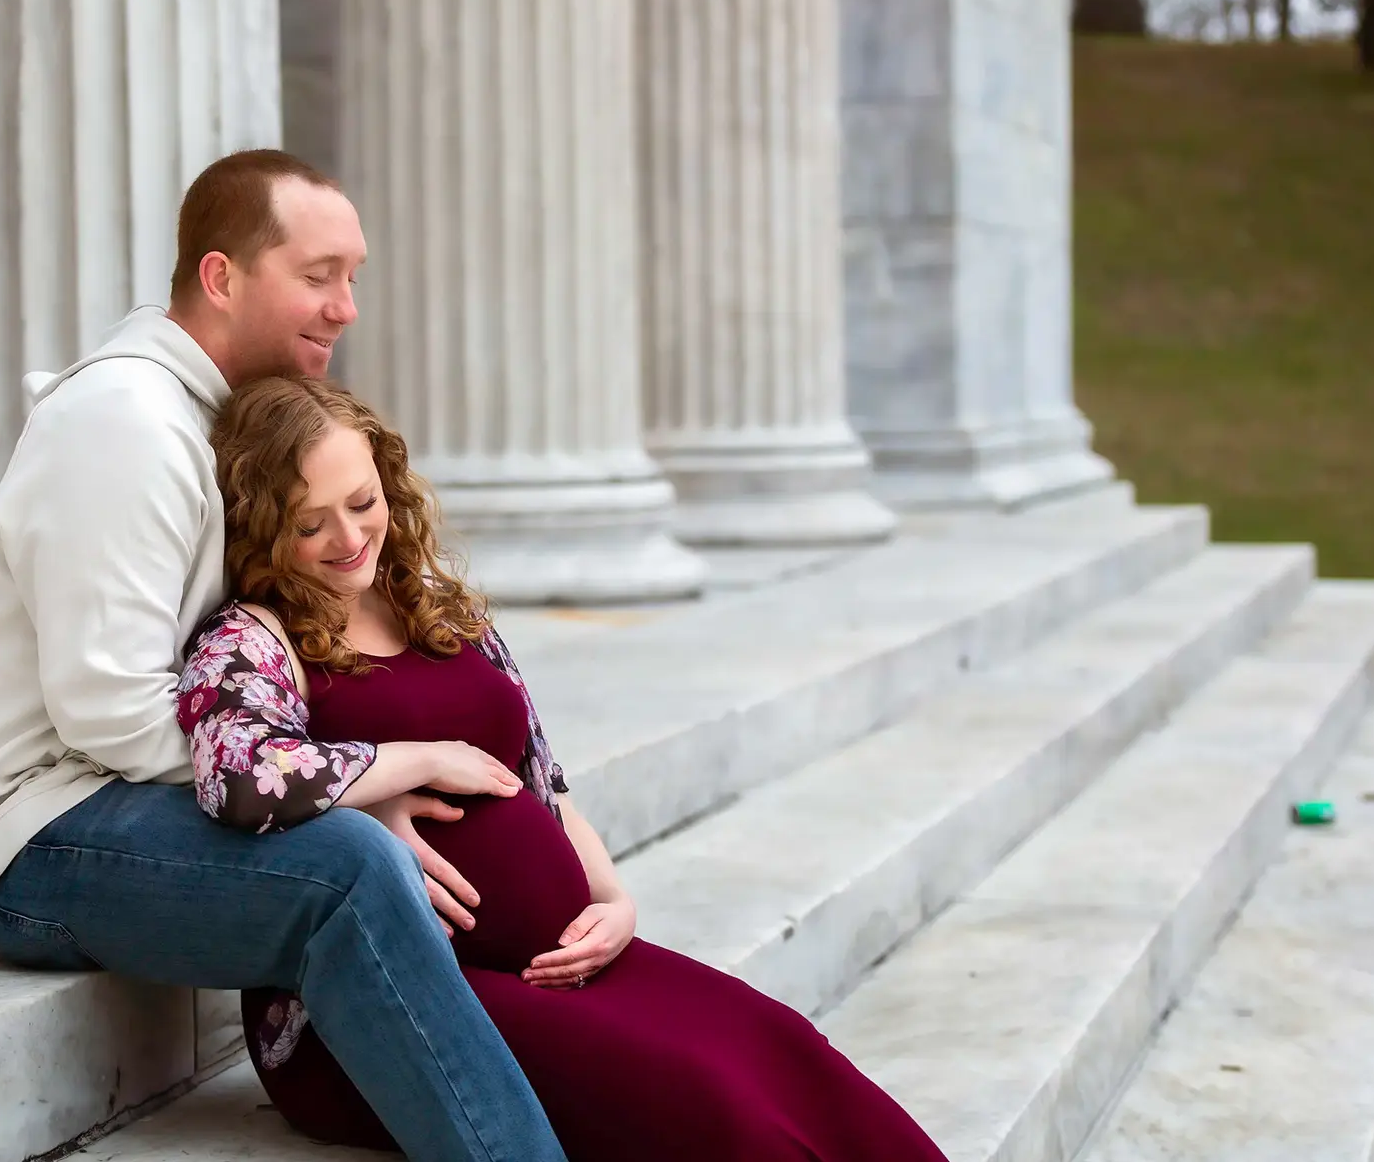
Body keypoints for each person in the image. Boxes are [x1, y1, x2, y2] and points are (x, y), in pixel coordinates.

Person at [0, 150, 568, 1162]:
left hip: (142, 802)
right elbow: (108, 712)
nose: (346, 307)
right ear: (222, 278)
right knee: (350, 869)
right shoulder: (124, 424)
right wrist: (346, 782)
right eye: (319, 277)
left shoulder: (207, 418)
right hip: (38, 836)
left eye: (352, 277)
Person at [184, 375, 953, 1161]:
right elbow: (238, 775)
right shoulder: (251, 640)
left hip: (558, 962)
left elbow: (541, 783)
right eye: (311, 522)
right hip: (392, 998)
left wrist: (614, 901)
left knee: (783, 1050)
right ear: (262, 527)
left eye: (362, 501)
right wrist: (407, 766)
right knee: (713, 1103)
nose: (349, 536)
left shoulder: (431, 607)